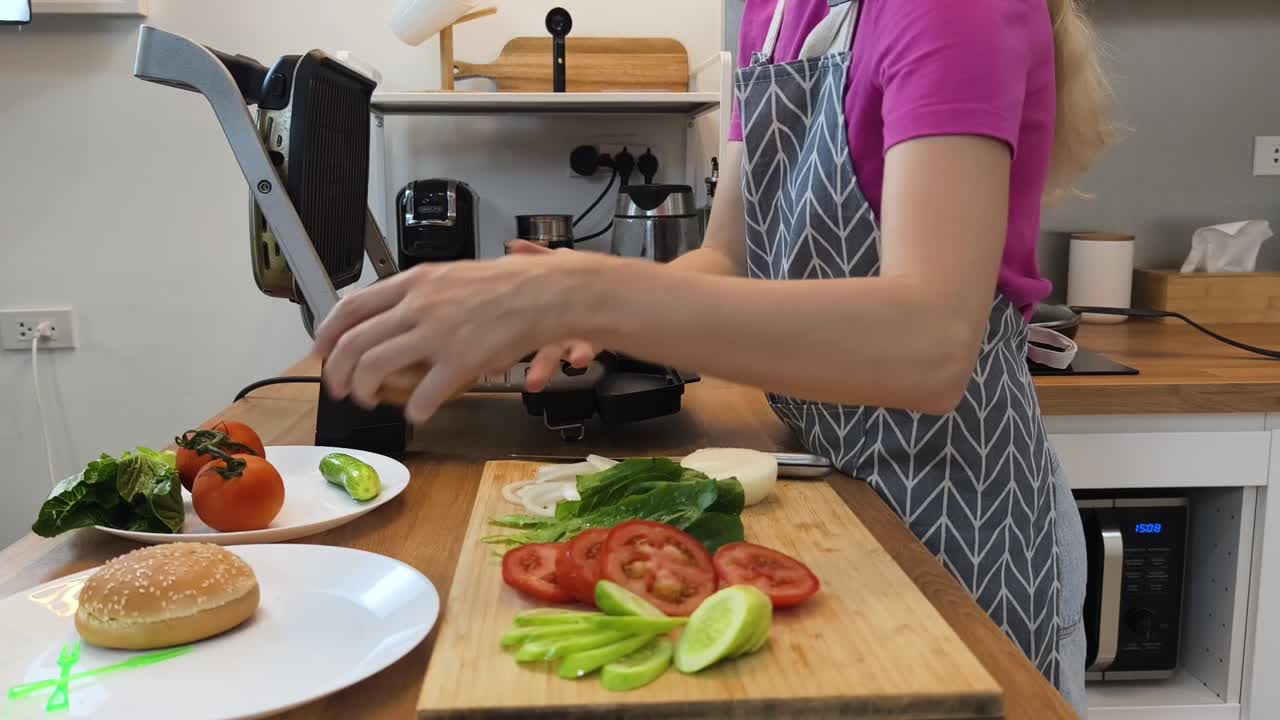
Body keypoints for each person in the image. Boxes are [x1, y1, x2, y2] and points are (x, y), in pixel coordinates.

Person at [315, 0, 1110, 713]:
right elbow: (728, 257)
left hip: (962, 512)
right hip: (842, 487)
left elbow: (930, 345)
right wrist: (576, 318)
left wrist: (581, 291)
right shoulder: (772, 13)